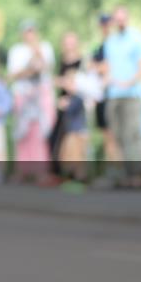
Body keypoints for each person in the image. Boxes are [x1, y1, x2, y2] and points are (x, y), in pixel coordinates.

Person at [103, 5, 141, 189]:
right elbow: (108, 67)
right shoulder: (110, 42)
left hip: (131, 94)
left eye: (123, 18)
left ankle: (138, 174)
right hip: (113, 95)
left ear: (127, 18)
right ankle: (124, 174)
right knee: (117, 136)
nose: (120, 22)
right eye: (117, 19)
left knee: (133, 134)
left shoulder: (137, 39)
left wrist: (127, 82)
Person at [6, 19, 56, 184]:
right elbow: (14, 74)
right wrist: (29, 70)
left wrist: (36, 51)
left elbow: (45, 67)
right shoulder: (16, 51)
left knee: (40, 133)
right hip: (23, 95)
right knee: (22, 134)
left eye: (32, 31)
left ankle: (41, 171)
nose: (30, 35)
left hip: (41, 96)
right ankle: (22, 171)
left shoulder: (45, 47)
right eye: (27, 31)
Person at [50, 31, 85, 181]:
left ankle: (76, 176)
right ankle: (60, 173)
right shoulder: (60, 61)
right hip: (62, 105)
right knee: (59, 141)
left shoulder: (82, 61)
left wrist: (65, 83)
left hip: (74, 107)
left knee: (75, 148)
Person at [91, 13, 121, 164]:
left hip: (114, 95)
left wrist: (99, 67)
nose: (106, 28)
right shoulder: (100, 47)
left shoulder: (118, 45)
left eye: (108, 24)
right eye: (103, 25)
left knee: (115, 135)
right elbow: (92, 67)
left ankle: (119, 169)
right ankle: (113, 167)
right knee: (106, 135)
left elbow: (108, 68)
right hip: (101, 95)